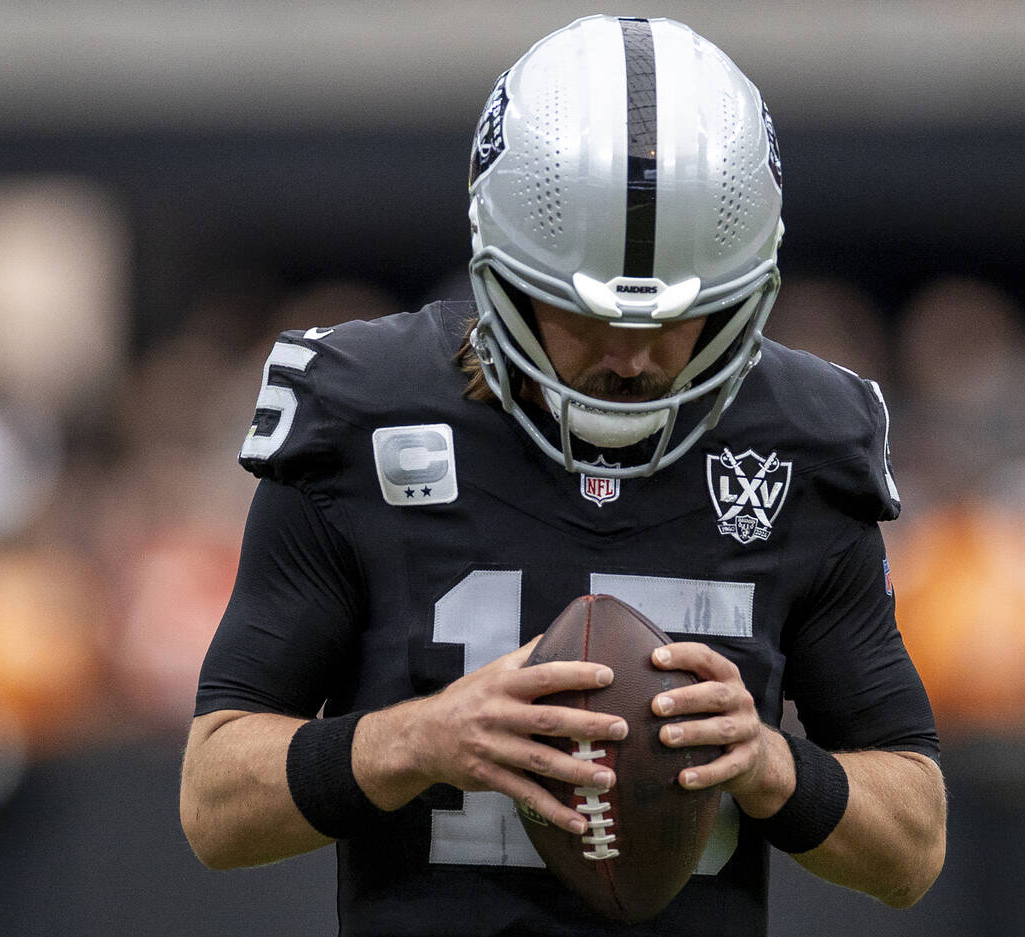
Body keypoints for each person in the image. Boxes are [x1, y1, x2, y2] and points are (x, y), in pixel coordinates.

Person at [180, 14, 946, 937]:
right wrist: (418, 738)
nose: (631, 357)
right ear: (504, 274)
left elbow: (914, 845)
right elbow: (216, 802)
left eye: (681, 318)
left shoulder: (803, 444)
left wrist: (777, 766)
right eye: (584, 318)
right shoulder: (366, 416)